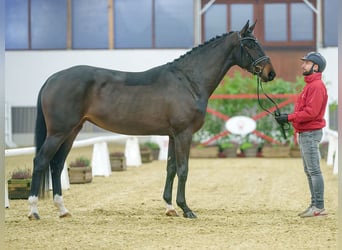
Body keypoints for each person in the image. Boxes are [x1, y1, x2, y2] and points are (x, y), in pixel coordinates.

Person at [275, 52, 328, 218]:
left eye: (306, 63)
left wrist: (289, 117)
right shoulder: (310, 85)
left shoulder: (316, 86)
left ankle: (318, 206)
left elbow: (311, 113)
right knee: (309, 170)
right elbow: (305, 110)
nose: (302, 65)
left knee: (314, 171)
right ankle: (315, 204)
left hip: (310, 133)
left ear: (315, 67)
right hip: (306, 132)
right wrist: (289, 117)